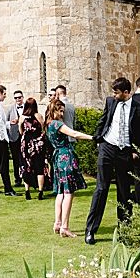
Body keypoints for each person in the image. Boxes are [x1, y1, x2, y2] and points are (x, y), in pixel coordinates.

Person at [84, 77, 140, 245]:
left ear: (126, 92)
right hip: (107, 148)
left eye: (116, 93)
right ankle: (90, 230)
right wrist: (98, 139)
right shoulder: (110, 102)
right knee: (101, 189)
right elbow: (103, 121)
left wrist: (137, 151)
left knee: (123, 191)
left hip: (124, 152)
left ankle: (124, 230)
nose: (114, 95)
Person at [45, 98, 93, 237]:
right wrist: (92, 138)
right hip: (65, 157)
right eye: (60, 111)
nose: (62, 114)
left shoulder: (48, 124)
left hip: (58, 158)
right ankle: (65, 226)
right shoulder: (57, 124)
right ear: (55, 110)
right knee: (68, 192)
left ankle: (58, 222)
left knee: (61, 191)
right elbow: (74, 134)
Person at [18, 97, 47, 200]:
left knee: (26, 167)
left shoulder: (22, 117)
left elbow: (21, 131)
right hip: (37, 144)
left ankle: (27, 192)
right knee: (40, 168)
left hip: (26, 144)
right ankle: (40, 192)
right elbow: (43, 128)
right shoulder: (38, 116)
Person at [7, 90, 24, 187]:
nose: (18, 99)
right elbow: (6, 122)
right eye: (16, 98)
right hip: (14, 137)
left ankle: (27, 177)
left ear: (22, 97)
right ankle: (17, 179)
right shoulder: (10, 109)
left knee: (25, 158)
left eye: (19, 97)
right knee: (15, 159)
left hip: (25, 136)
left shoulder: (27, 108)